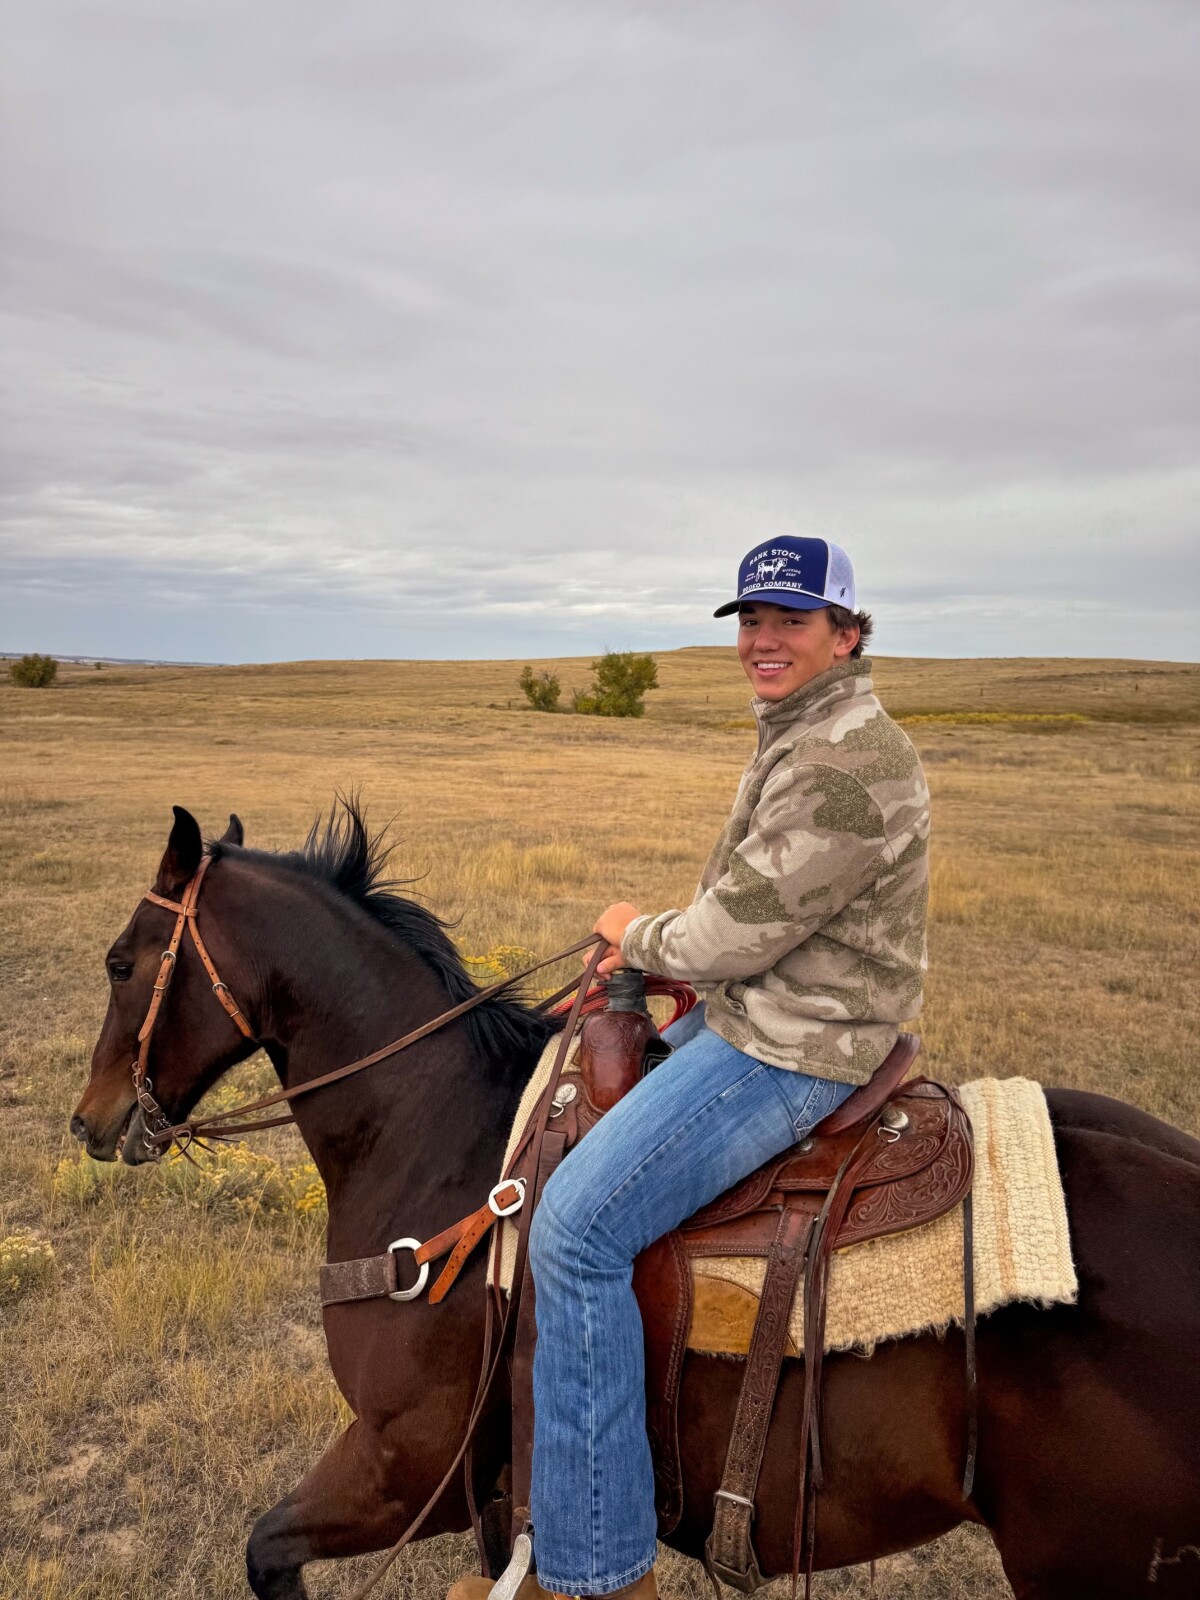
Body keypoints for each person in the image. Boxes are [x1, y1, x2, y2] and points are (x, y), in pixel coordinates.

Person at [454, 536, 930, 1600]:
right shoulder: (807, 730)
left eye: (791, 620)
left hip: (796, 1044)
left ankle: (598, 1570)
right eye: (751, 619)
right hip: (764, 1007)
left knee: (576, 1230)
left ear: (847, 634)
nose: (763, 639)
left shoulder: (844, 760)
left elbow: (729, 933)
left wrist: (635, 933)